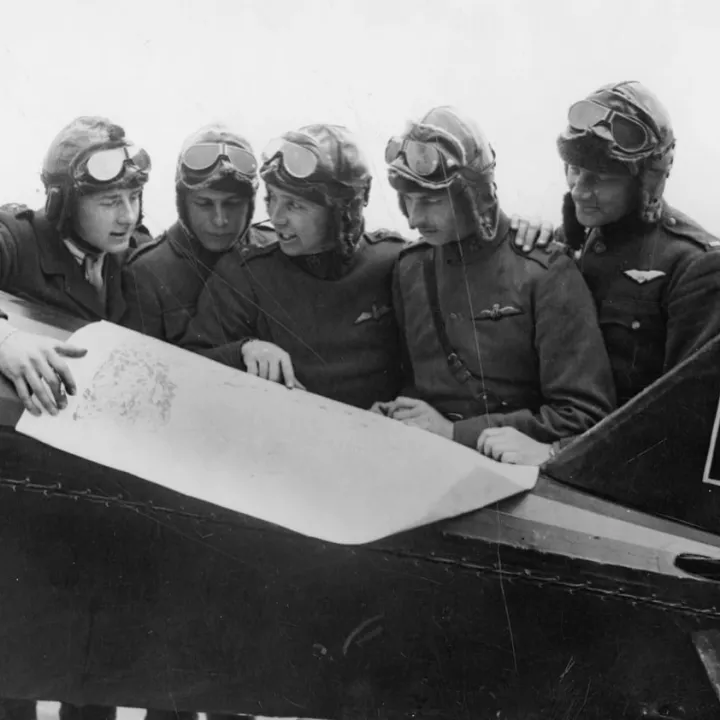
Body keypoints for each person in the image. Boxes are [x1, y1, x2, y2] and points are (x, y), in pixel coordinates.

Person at [497, 80, 720, 465]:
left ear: (645, 181)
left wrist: (557, 453)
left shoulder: (693, 265)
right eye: (573, 171)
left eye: (599, 179)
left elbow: (681, 418)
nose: (579, 190)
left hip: (613, 475)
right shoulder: (576, 244)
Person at [374, 106, 616, 451]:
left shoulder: (545, 272)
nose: (414, 219)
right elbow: (417, 382)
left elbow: (584, 414)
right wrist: (394, 411)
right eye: (408, 201)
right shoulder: (410, 267)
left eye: (429, 200)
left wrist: (457, 433)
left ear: (474, 195)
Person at [180, 123, 407, 408]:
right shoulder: (245, 274)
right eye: (272, 198)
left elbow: (429, 367)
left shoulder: (396, 263)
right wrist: (244, 351)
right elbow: (186, 364)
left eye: (295, 205)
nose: (276, 217)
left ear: (343, 210)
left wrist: (401, 406)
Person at [0, 116, 152, 417]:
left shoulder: (138, 254)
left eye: (134, 198)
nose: (128, 217)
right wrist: (5, 340)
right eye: (110, 203)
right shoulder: (17, 239)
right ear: (64, 205)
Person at [122, 124, 274, 344]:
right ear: (183, 204)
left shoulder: (274, 249)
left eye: (233, 204)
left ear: (250, 206)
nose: (220, 220)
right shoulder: (147, 273)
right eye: (204, 204)